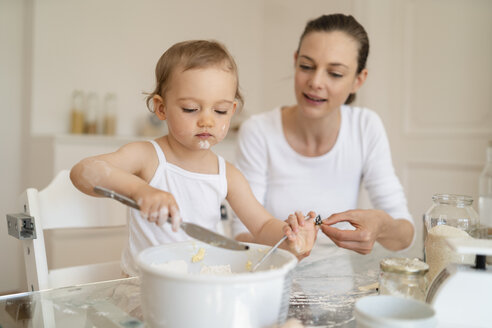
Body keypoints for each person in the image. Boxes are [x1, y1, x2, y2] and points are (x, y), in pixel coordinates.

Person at [70, 40, 318, 276]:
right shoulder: (147, 157)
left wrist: (291, 235)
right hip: (142, 290)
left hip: (200, 288)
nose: (207, 121)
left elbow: (262, 226)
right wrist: (140, 191)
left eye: (219, 111)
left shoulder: (227, 174)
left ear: (231, 111)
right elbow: (84, 171)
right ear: (161, 108)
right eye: (190, 109)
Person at [231, 14, 415, 254]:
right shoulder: (258, 131)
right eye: (306, 66)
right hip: (272, 278)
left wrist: (381, 227)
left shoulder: (365, 127)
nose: (315, 82)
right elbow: (241, 234)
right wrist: (288, 243)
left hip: (340, 284)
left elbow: (405, 235)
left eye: (335, 74)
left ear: (358, 80)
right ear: (295, 61)